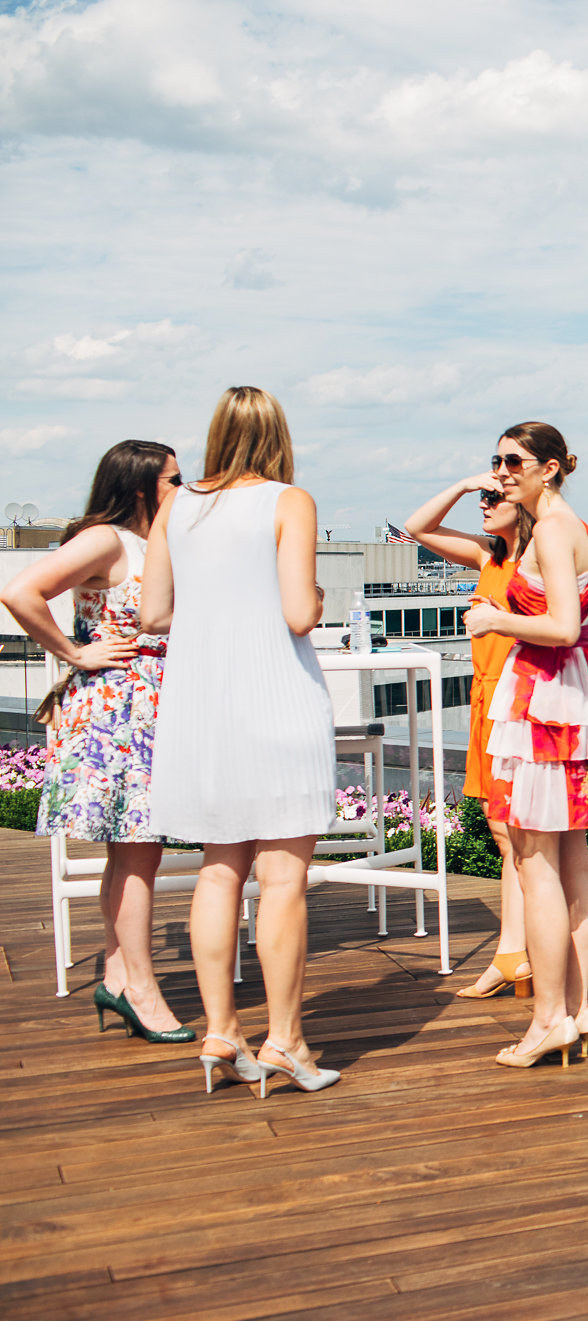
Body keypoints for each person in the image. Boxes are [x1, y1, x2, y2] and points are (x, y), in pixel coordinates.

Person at [141, 387, 339, 1096]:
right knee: (282, 879)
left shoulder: (176, 506)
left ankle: (221, 1030)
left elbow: (153, 612)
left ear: (216, 434)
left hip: (202, 710)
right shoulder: (290, 500)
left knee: (219, 871)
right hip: (276, 699)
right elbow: (297, 613)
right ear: (278, 436)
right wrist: (316, 600)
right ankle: (286, 1039)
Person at [2, 440, 191, 1043]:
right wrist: (75, 652)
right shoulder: (109, 539)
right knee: (139, 852)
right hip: (121, 709)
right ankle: (141, 987)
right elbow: (19, 590)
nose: (183, 490)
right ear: (140, 487)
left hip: (143, 706)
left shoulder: (148, 543)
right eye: (173, 480)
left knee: (133, 852)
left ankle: (118, 975)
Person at [468, 421, 588, 1068]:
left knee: (536, 866)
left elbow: (562, 625)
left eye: (514, 461)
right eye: (498, 460)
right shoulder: (572, 528)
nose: (502, 472)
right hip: (570, 700)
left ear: (551, 467)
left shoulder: (555, 530)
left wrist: (492, 617)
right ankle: (575, 1006)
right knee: (571, 863)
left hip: (545, 701)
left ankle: (548, 1018)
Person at [403, 476, 537, 1000]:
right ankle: (513, 954)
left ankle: (519, 954)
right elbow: (417, 527)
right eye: (481, 498)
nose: (484, 505)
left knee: (515, 834)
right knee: (501, 830)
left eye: (493, 498)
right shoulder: (488, 556)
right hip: (487, 701)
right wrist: (462, 486)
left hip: (516, 703)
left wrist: (495, 618)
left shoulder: (532, 561)